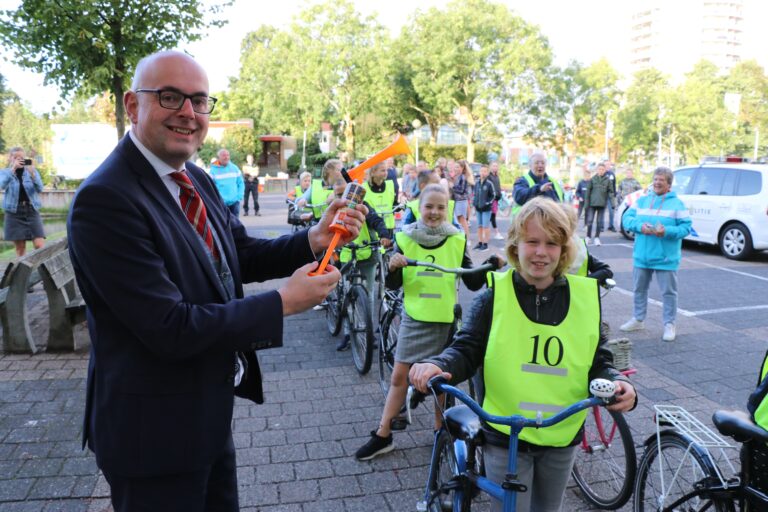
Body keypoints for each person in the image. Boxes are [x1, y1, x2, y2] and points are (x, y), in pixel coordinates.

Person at [66, 51, 366, 511]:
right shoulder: (106, 200)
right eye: (170, 97)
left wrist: (313, 238)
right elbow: (169, 327)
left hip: (205, 415)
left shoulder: (194, 178)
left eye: (199, 100)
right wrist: (282, 302)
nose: (188, 112)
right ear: (132, 105)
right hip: (152, 438)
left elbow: (237, 255)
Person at [409, 197, 636, 512]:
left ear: (564, 251)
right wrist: (438, 364)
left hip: (562, 435)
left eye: (552, 243)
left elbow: (598, 359)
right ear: (516, 246)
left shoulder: (585, 297)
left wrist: (616, 382)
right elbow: (467, 347)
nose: (541, 252)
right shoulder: (493, 296)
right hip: (507, 436)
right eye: (532, 241)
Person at [355, 184, 503, 461]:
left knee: (442, 383)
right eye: (428, 206)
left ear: (447, 209)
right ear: (418, 208)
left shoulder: (457, 239)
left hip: (446, 320)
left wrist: (490, 265)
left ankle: (440, 432)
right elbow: (395, 284)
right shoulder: (405, 237)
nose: (434, 212)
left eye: (440, 207)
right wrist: (393, 266)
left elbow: (471, 280)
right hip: (415, 317)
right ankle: (383, 434)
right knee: (399, 377)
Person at [620, 166, 691, 342]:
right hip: (642, 256)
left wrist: (666, 231)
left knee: (668, 293)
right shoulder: (642, 200)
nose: (657, 183)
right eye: (656, 179)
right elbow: (627, 218)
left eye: (661, 180)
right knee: (639, 290)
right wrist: (640, 227)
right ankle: (638, 319)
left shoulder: (677, 204)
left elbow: (686, 228)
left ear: (669, 184)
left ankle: (669, 324)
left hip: (666, 258)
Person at [331, 178, 392, 351]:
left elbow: (376, 221)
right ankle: (348, 333)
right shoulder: (336, 208)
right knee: (346, 292)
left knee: (369, 294)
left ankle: (369, 333)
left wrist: (384, 235)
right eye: (341, 194)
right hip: (347, 254)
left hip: (367, 254)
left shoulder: (363, 205)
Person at [0, 147, 45, 257]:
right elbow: (1, 185)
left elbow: (40, 189)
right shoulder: (4, 172)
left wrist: (33, 174)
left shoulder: (31, 170)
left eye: (21, 157)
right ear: (10, 158)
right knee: (20, 249)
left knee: (40, 246)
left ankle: (41, 271)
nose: (19, 160)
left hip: (31, 210)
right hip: (13, 212)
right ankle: (24, 273)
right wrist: (13, 170)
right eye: (16, 157)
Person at [512, 151, 564, 215]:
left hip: (552, 222)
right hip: (528, 223)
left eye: (543, 163)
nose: (540, 165)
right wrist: (538, 189)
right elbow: (519, 197)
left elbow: (561, 202)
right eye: (537, 163)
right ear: (530, 166)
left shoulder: (553, 182)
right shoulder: (522, 181)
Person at [584, 163, 615, 246]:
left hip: (602, 204)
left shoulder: (608, 181)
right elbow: (587, 193)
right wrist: (586, 205)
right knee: (589, 221)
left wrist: (613, 203)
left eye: (602, 169)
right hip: (592, 204)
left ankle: (597, 238)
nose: (601, 171)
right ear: (597, 170)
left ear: (605, 170)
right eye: (599, 169)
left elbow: (611, 193)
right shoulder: (592, 179)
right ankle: (588, 237)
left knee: (599, 222)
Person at [210, 148, 245, 217]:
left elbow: (241, 183)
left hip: (235, 202)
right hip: (221, 203)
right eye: (223, 155)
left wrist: (239, 197)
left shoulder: (235, 168)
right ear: (218, 158)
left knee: (235, 225)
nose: (226, 157)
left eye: (228, 155)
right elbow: (210, 187)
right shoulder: (213, 170)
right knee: (223, 225)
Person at [363, 162, 397, 230]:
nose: (386, 173)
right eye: (383, 170)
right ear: (373, 172)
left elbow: (393, 203)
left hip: (389, 227)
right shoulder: (363, 187)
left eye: (386, 170)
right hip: (373, 228)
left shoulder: (390, 185)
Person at [472, 164, 497, 251]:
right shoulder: (477, 183)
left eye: (485, 171)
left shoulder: (489, 183)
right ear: (479, 172)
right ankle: (480, 242)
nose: (483, 173)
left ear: (487, 172)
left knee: (485, 226)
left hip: (486, 209)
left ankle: (485, 244)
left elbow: (493, 195)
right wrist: (474, 202)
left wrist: (487, 203)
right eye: (481, 171)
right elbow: (474, 194)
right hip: (478, 208)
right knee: (479, 226)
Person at [451, 159, 474, 238]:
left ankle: (466, 238)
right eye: (455, 167)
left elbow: (461, 190)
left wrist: (452, 187)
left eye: (457, 167)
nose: (456, 169)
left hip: (461, 201)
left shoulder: (463, 177)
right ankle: (463, 237)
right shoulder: (457, 176)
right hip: (458, 201)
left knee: (462, 220)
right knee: (459, 220)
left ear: (462, 168)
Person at [488, 161, 503, 240]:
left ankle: (488, 232)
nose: (495, 167)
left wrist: (500, 194)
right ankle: (497, 233)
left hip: (496, 200)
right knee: (492, 216)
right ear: (490, 167)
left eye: (496, 166)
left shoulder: (496, 176)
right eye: (493, 166)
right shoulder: (489, 177)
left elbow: (498, 187)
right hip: (491, 200)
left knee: (491, 216)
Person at [604, 161, 618, 231]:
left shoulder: (612, 174)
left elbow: (614, 184)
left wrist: (614, 194)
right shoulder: (602, 173)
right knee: (602, 211)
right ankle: (601, 226)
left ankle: (611, 226)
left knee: (611, 211)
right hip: (603, 195)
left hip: (611, 196)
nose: (607, 166)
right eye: (606, 164)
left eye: (609, 164)